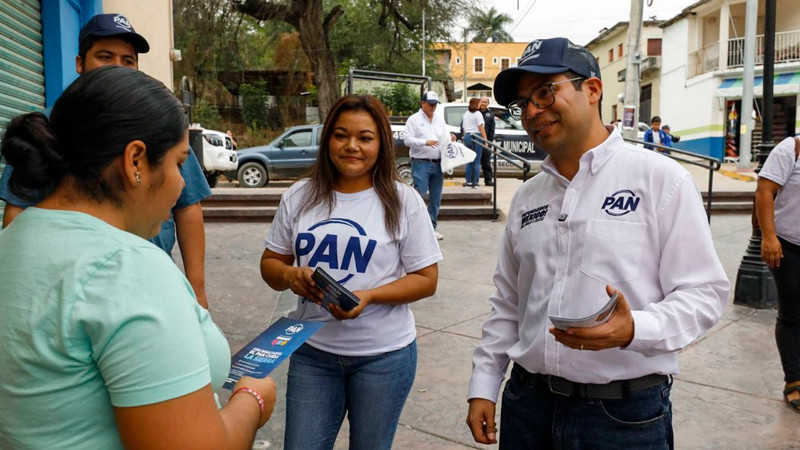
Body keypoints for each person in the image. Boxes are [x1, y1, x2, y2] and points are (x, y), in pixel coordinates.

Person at [466, 37, 729, 448]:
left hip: (623, 417)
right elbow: (509, 302)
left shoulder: (660, 180)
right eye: (523, 103)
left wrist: (634, 329)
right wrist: (484, 382)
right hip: (526, 407)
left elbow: (704, 293)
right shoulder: (527, 197)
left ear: (592, 90)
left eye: (545, 91)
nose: (533, 111)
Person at [0, 65, 276, 449]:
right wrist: (253, 400)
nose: (182, 184)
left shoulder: (15, 238)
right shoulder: (126, 268)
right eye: (179, 163)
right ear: (135, 162)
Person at [260, 94, 442, 449]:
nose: (352, 146)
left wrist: (370, 296)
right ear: (327, 138)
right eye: (341, 135)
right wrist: (291, 276)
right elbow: (270, 263)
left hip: (384, 357)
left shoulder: (404, 201)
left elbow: (427, 280)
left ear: (382, 144)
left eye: (365, 137)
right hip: (312, 351)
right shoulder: (299, 196)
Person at [0, 13, 212, 308]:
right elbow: (17, 212)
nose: (118, 67)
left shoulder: (159, 125)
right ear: (79, 63)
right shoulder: (49, 127)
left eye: (128, 60)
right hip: (70, 291)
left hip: (147, 282)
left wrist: (197, 290)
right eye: (104, 56)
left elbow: (188, 206)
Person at [755, 135, 800, 414]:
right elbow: (764, 192)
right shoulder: (790, 149)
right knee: (793, 314)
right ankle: (794, 380)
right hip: (789, 246)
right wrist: (768, 237)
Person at [404, 90, 453, 240]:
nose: (433, 107)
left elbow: (445, 136)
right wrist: (425, 142)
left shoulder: (439, 119)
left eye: (435, 104)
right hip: (421, 163)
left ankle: (431, 228)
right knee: (419, 196)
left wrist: (450, 137)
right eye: (430, 104)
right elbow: (407, 140)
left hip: (438, 164)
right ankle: (416, 228)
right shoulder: (413, 119)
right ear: (422, 103)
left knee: (435, 199)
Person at [462, 97, 487, 188]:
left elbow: (464, 128)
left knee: (469, 160)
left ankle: (468, 181)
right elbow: (481, 127)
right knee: (476, 161)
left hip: (468, 136)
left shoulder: (466, 114)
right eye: (479, 102)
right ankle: (475, 182)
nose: (481, 104)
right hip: (476, 136)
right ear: (476, 104)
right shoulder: (478, 114)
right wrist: (485, 139)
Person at [479, 96, 496, 186]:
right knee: (474, 162)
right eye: (482, 102)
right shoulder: (475, 112)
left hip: (486, 142)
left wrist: (489, 141)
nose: (483, 104)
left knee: (486, 162)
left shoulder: (490, 114)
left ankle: (488, 180)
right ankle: (473, 181)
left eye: (485, 102)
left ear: (488, 104)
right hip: (476, 140)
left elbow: (492, 129)